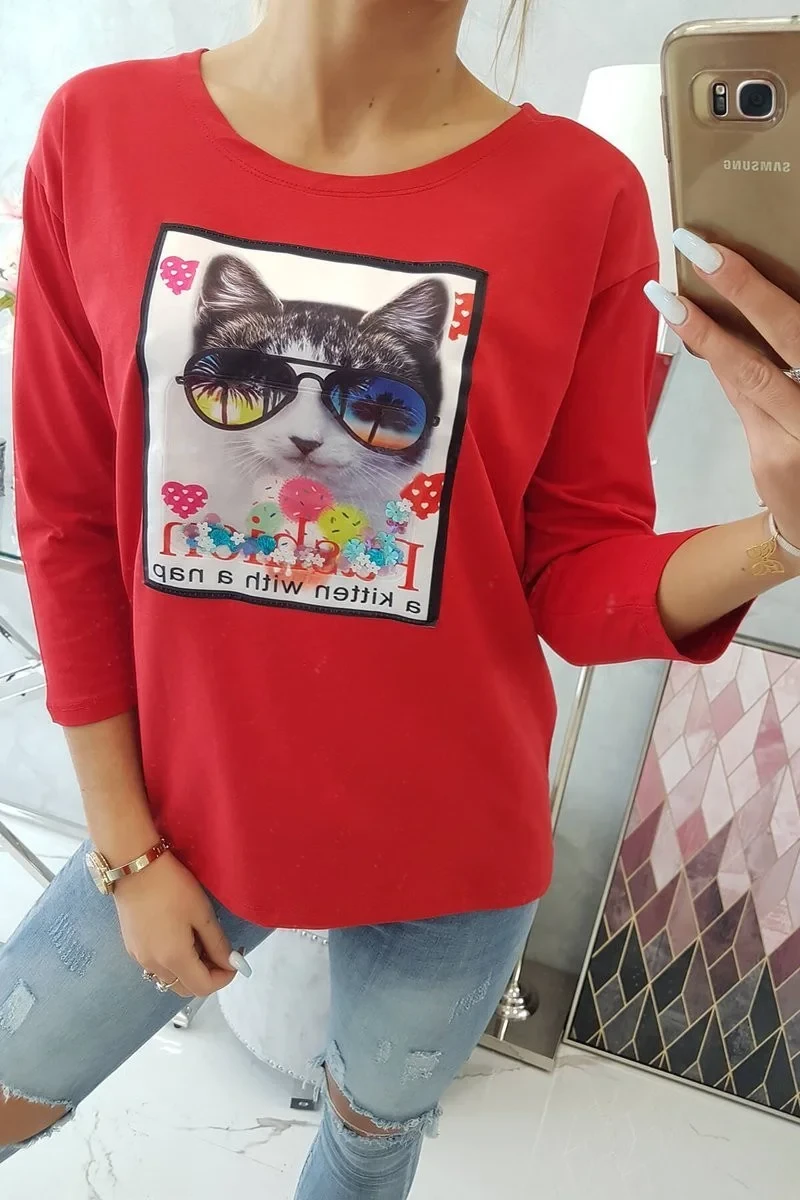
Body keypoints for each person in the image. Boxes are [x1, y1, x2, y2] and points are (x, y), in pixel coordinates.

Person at [1, 1, 799, 1195]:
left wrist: (783, 532)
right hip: (179, 812)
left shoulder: (579, 195)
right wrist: (124, 849)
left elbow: (576, 581)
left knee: (368, 1148)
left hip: (451, 847)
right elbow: (69, 522)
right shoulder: (99, 132)